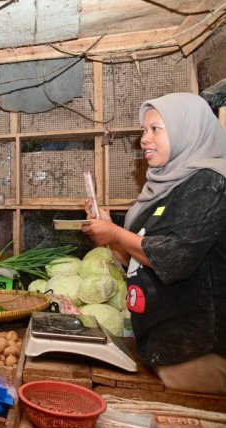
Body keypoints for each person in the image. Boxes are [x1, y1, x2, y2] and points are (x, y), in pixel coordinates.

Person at [81, 93, 226, 395]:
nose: (144, 139)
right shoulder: (163, 185)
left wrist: (116, 234)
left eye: (155, 129)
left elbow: (174, 257)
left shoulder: (210, 183)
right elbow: (136, 260)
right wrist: (108, 234)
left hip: (198, 350)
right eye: (143, 131)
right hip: (162, 344)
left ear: (188, 130)